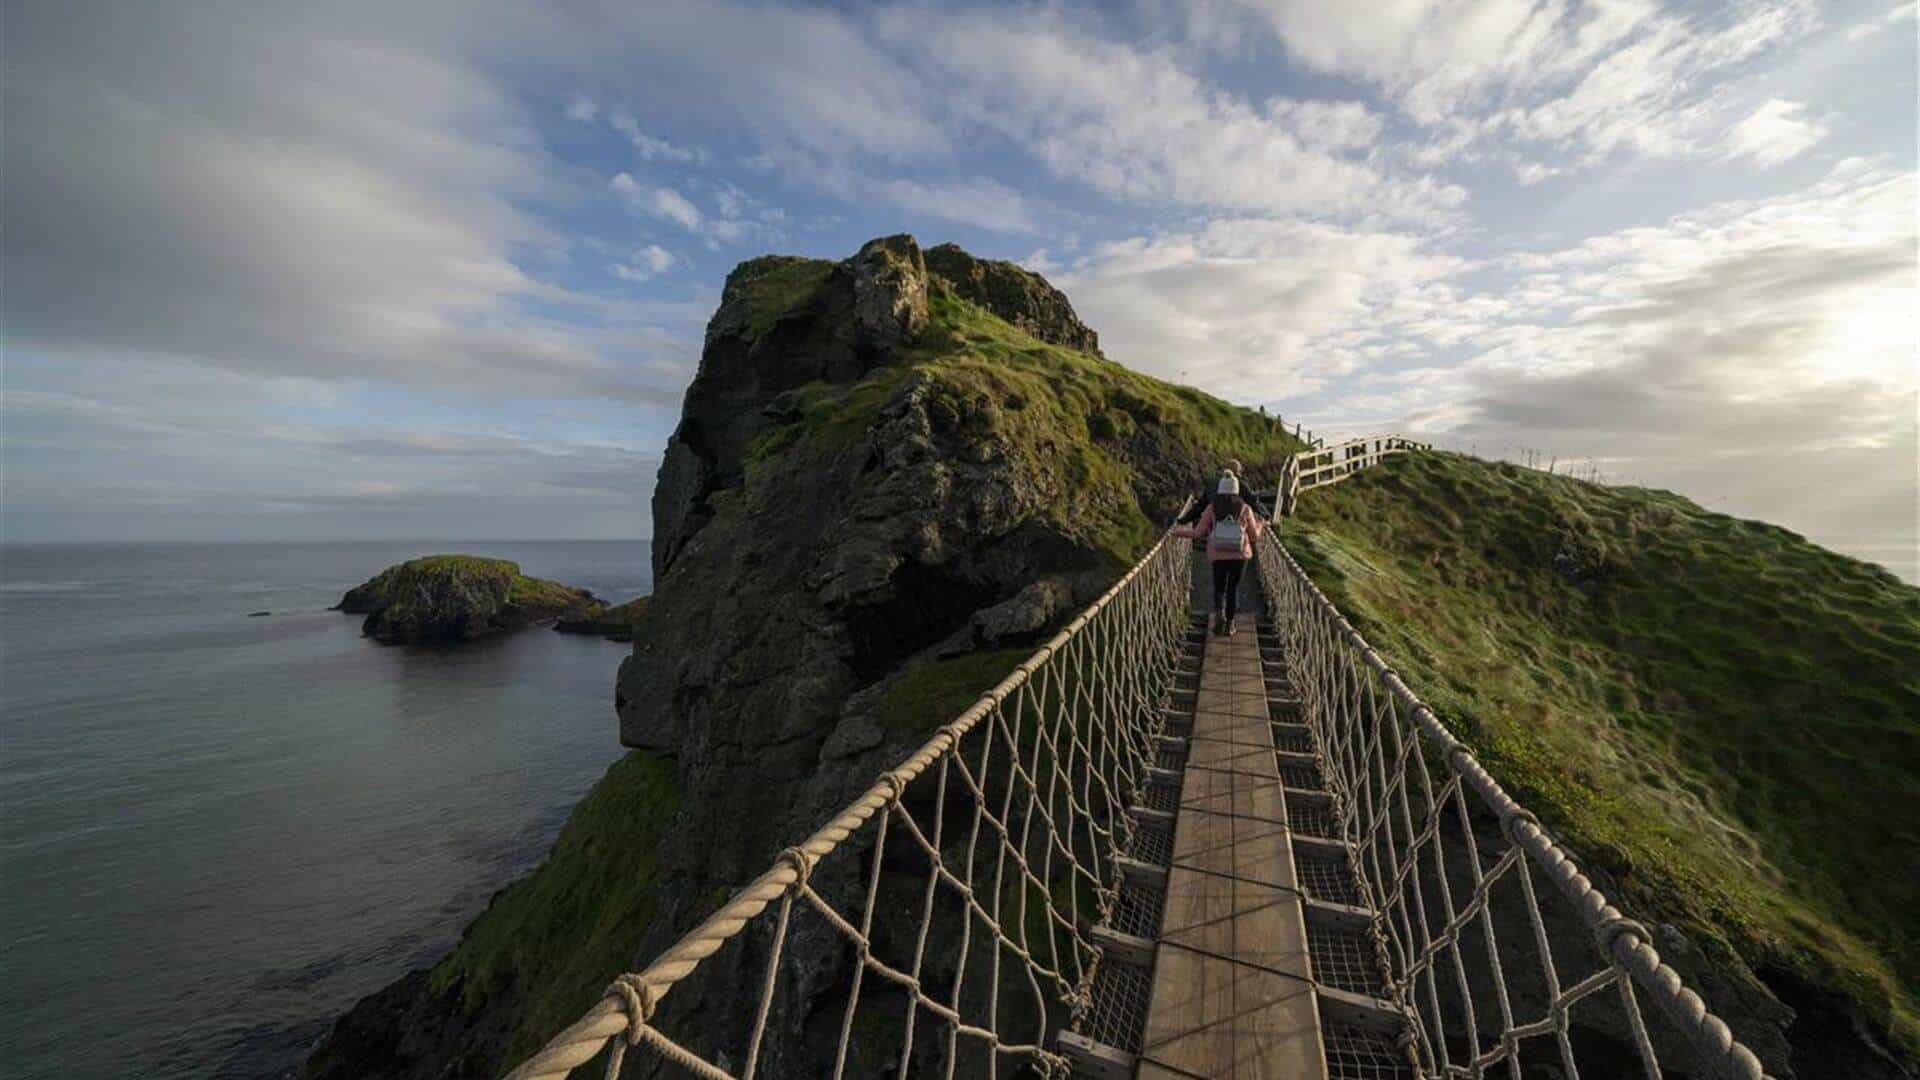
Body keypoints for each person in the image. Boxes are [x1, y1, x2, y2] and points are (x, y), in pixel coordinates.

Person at [1176, 474, 1265, 636]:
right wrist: (1260, 525)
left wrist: (1178, 533)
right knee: (1232, 588)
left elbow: (1198, 533)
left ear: (1220, 489)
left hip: (1218, 554)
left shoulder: (1212, 508)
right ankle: (1230, 625)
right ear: (1237, 489)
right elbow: (1254, 537)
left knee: (1219, 588)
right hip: (1239, 556)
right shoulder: (1245, 509)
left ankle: (1219, 616)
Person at [1178, 458, 1269, 523]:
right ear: (1237, 471)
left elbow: (1201, 505)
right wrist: (1265, 515)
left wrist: (1184, 519)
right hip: (1235, 522)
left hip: (1213, 520)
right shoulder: (1239, 483)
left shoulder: (1213, 483)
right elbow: (1253, 501)